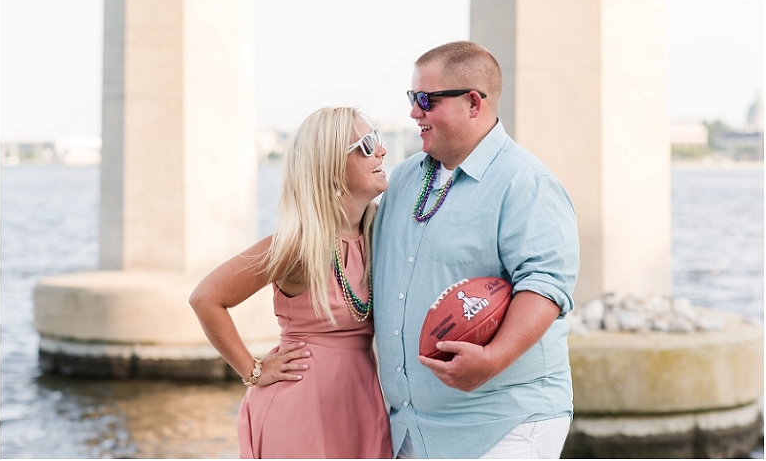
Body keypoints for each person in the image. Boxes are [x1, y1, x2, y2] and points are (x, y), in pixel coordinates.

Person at [372, 41, 580, 459]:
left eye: (425, 100)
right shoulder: (405, 179)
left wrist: (492, 359)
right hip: (411, 429)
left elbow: (546, 285)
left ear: (472, 103)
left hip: (505, 424)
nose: (415, 112)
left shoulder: (526, 182)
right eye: (412, 99)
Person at [190, 107, 393, 459]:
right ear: (331, 165)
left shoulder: (380, 233)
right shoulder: (298, 245)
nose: (381, 150)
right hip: (300, 409)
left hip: (359, 402)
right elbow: (206, 297)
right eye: (365, 144)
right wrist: (252, 370)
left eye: (377, 138)